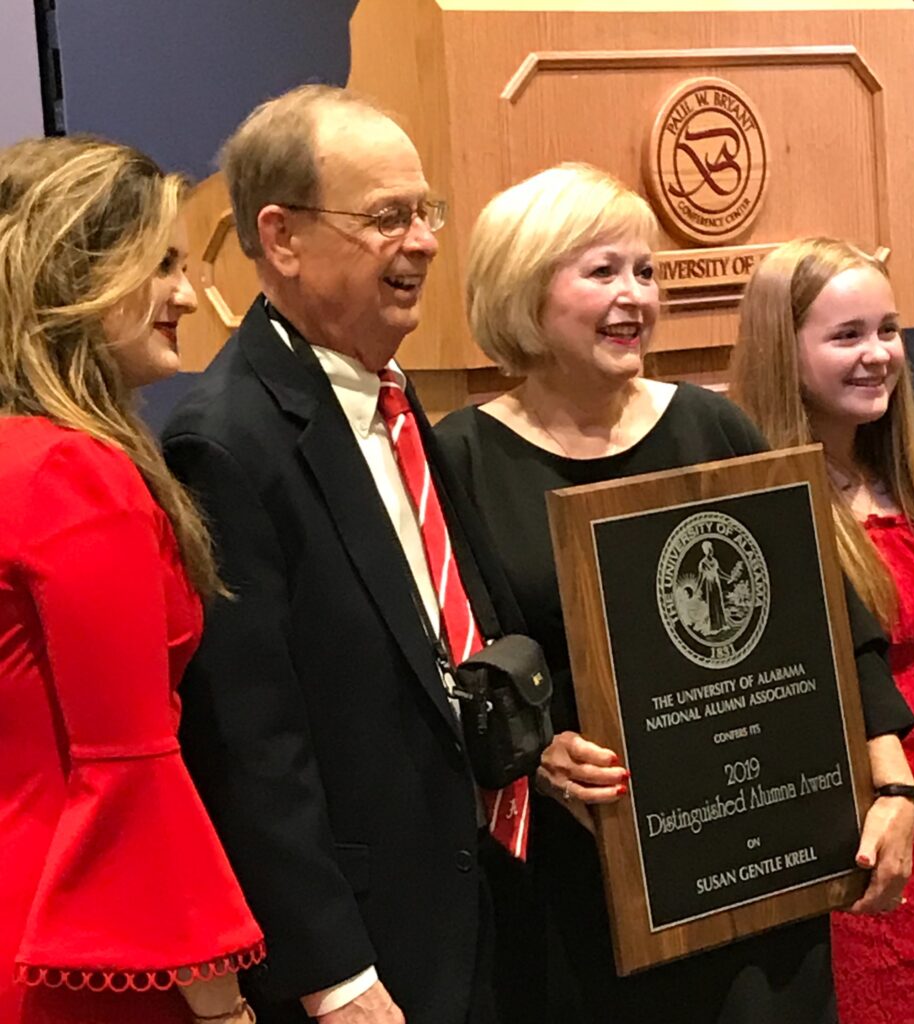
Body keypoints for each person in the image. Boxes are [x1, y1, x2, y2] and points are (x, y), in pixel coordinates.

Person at [435, 164, 914, 1024]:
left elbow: (831, 624)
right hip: (582, 894)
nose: (636, 297)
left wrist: (891, 787)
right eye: (602, 271)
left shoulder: (712, 427)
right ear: (522, 287)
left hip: (759, 873)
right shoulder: (460, 458)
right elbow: (456, 663)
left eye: (646, 271)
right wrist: (536, 751)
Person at [161, 85, 528, 1024]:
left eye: (426, 211)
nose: (425, 242)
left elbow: (440, 634)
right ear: (280, 237)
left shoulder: (396, 397)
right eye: (387, 217)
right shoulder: (228, 442)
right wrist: (334, 975)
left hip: (483, 913)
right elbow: (250, 746)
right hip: (370, 960)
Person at [0, 136, 264, 1024]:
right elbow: (129, 765)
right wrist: (223, 1007)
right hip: (91, 957)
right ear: (74, 274)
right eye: (160, 266)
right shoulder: (74, 476)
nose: (188, 294)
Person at [731, 236, 914, 1024]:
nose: (877, 356)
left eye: (887, 329)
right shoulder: (759, 515)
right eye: (846, 336)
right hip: (855, 856)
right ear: (781, 351)